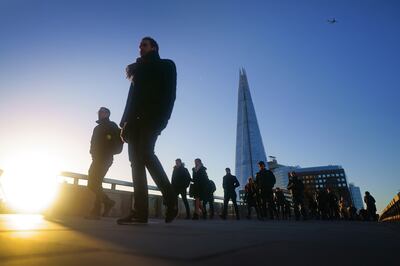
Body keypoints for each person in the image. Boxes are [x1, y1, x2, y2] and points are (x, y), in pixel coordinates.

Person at [117, 37, 178, 224]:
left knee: (146, 154)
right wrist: (123, 123)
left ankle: (170, 198)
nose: (140, 48)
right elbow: (131, 99)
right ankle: (140, 211)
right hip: (133, 122)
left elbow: (170, 94)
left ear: (154, 47)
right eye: (139, 45)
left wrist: (163, 118)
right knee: (135, 162)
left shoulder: (166, 65)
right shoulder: (137, 70)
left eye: (144, 44)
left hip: (152, 119)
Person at [86, 107, 120, 219]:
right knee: (93, 183)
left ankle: (99, 208)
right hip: (96, 158)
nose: (100, 114)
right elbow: (93, 143)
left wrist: (110, 151)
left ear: (108, 114)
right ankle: (104, 205)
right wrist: (92, 153)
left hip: (106, 158)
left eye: (102, 112)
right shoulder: (97, 128)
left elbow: (119, 141)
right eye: (99, 112)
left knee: (94, 182)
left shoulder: (112, 125)